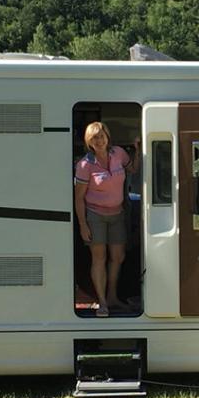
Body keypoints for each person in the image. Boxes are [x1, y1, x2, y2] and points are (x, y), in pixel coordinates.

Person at [74, 122, 137, 316]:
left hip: (117, 213)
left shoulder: (118, 153)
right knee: (99, 258)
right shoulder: (85, 165)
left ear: (108, 137)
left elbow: (133, 169)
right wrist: (83, 224)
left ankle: (112, 297)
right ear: (89, 142)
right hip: (95, 215)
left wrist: (139, 149)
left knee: (118, 257)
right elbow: (78, 198)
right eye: (94, 138)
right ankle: (102, 303)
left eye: (101, 136)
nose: (99, 141)